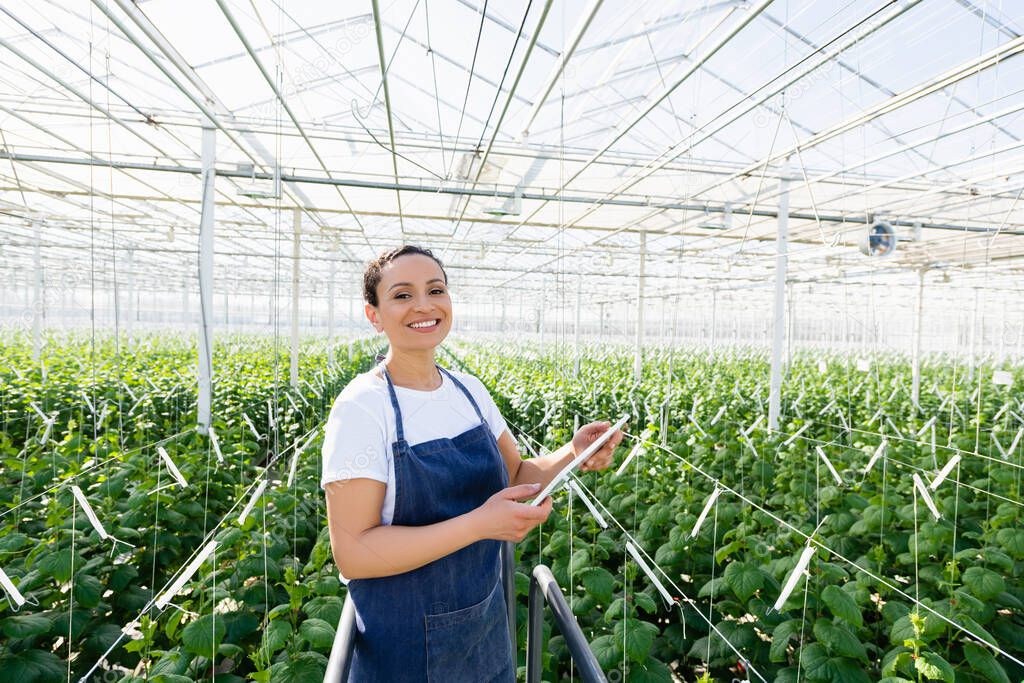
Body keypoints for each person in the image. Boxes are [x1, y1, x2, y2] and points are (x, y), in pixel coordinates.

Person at [321, 245, 624, 682]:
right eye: (402, 295)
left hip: (484, 633)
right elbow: (354, 553)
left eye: (436, 290)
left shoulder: (468, 391)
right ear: (374, 314)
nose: (424, 305)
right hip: (402, 649)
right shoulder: (363, 407)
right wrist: (479, 525)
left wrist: (572, 453)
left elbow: (518, 474)